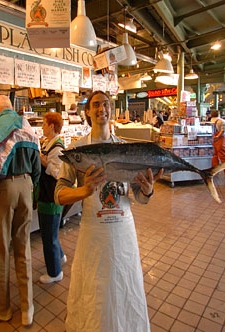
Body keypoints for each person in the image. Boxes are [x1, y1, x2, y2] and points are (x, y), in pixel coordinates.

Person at [55, 90, 163, 332]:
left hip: (124, 230)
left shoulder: (127, 149)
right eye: (95, 105)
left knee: (125, 284)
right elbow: (59, 194)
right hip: (93, 232)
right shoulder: (77, 150)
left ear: (111, 109)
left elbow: (140, 197)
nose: (101, 109)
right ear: (88, 112)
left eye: (105, 104)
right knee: (95, 287)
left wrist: (147, 190)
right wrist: (83, 191)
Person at [0, 95, 41, 325]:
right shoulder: (27, 127)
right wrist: (31, 192)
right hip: (26, 186)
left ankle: (1, 308)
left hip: (1, 190)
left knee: (0, 250)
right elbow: (36, 166)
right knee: (23, 247)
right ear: (10, 108)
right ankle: (27, 308)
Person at [37, 112, 66, 284]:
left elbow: (59, 173)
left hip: (51, 196)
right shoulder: (49, 143)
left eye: (44, 123)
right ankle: (60, 257)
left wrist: (44, 162)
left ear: (52, 127)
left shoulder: (58, 148)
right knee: (51, 232)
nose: (42, 126)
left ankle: (55, 273)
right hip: (46, 194)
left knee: (48, 235)